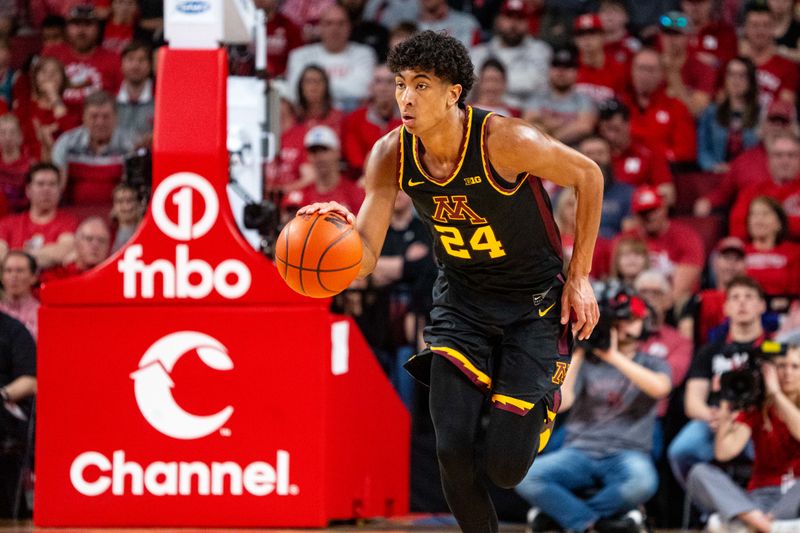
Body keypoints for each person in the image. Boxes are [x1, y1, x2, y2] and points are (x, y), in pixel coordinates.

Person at [297, 30, 603, 533]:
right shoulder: (391, 153)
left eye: (421, 84)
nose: (406, 96)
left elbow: (588, 175)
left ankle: (541, 399)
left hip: (533, 304)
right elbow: (367, 256)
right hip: (461, 300)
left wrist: (581, 277)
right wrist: (330, 236)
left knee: (505, 470)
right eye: (400, 84)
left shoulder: (506, 141)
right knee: (450, 448)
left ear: (453, 93)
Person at [515, 289, 671, 533]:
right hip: (580, 450)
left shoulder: (652, 362)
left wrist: (613, 356)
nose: (623, 326)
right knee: (525, 476)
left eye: (631, 320)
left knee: (643, 482)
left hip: (627, 453)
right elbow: (562, 402)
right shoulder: (586, 361)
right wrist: (577, 352)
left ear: (644, 324)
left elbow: (660, 388)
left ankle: (563, 517)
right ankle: (600, 523)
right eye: (618, 321)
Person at [687, 343, 800, 533]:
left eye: (795, 367)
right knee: (699, 472)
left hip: (795, 495)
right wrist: (724, 400)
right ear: (769, 370)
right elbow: (724, 452)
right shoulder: (756, 407)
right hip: (761, 496)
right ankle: (766, 526)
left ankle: (744, 525)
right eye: (781, 366)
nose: (787, 373)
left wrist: (776, 394)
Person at [668, 275, 768, 488]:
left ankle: (758, 504)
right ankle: (710, 507)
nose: (742, 302)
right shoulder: (710, 351)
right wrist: (713, 416)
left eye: (749, 297)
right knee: (681, 451)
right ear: (726, 308)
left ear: (762, 306)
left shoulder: (773, 348)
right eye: (735, 297)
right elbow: (692, 402)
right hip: (714, 418)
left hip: (759, 421)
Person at [285, 3, 377, 112]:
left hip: (351, 115)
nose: (335, 29)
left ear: (349, 27)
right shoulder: (299, 55)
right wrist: (345, 88)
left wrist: (315, 89)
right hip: (311, 115)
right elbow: (295, 92)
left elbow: (362, 90)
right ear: (320, 27)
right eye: (329, 23)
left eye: (341, 23)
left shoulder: (365, 54)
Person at [51, 90, 134, 207]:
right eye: (94, 116)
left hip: (117, 215)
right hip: (72, 213)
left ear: (116, 118)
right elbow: (56, 187)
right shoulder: (66, 143)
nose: (100, 122)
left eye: (106, 117)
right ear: (84, 117)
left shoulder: (129, 145)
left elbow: (132, 192)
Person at [469, 0, 551, 109]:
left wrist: (489, 83)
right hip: (486, 113)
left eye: (520, 18)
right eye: (509, 17)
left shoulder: (541, 50)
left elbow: (534, 84)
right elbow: (470, 86)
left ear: (528, 22)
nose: (513, 24)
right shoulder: (479, 52)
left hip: (525, 115)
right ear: (499, 20)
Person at [597, 98, 675, 205]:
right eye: (606, 128)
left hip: (637, 213)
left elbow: (668, 193)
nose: (610, 136)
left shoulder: (647, 152)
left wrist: (639, 199)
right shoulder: (593, 153)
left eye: (615, 128)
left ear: (628, 124)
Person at [41, 4, 121, 107]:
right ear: (66, 28)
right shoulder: (51, 54)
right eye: (76, 24)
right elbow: (39, 94)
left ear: (98, 28)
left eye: (88, 24)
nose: (81, 30)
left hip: (98, 119)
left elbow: (119, 100)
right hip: (57, 118)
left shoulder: (114, 59)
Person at [0, 163, 77, 269]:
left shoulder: (68, 222)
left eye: (52, 184)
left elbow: (64, 250)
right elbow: (1, 255)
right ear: (28, 190)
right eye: (40, 184)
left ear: (60, 190)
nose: (46, 189)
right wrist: (46, 255)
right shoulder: (7, 223)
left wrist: (17, 255)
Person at [729, 133, 800, 241]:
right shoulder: (752, 191)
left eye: (791, 155)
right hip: (758, 253)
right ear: (769, 160)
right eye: (778, 155)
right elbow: (737, 230)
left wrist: (764, 224)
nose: (785, 161)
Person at [697, 56, 761, 174]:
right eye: (731, 74)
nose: (736, 80)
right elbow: (703, 149)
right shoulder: (711, 112)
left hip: (750, 177)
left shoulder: (762, 114)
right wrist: (714, 166)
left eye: (742, 75)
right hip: (717, 175)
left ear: (751, 80)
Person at [525, 45, 597, 147]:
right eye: (557, 66)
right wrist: (567, 125)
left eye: (567, 67)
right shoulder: (537, 97)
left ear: (577, 72)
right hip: (539, 151)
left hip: (573, 152)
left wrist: (549, 138)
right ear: (549, 70)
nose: (561, 72)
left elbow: (584, 127)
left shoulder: (584, 99)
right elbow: (529, 123)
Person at [658, 10, 717, 117]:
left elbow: (696, 112)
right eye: (667, 33)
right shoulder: (650, 65)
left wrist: (673, 74)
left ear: (688, 37)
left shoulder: (702, 69)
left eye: (677, 34)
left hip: (687, 128)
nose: (671, 39)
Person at [739, 3, 798, 110]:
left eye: (765, 25)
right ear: (745, 28)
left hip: (771, 123)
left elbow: (785, 107)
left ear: (773, 28)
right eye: (755, 25)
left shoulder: (788, 66)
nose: (760, 31)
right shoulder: (735, 63)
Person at [743, 196, 800, 298]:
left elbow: (796, 293)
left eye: (765, 214)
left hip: (783, 310)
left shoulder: (794, 253)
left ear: (779, 224)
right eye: (753, 214)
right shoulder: (739, 252)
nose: (758, 220)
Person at [39, 216, 110, 282]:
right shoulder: (55, 276)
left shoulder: (115, 279)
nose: (95, 245)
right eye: (89, 239)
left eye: (101, 240)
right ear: (76, 242)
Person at [116, 41, 154, 148]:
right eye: (130, 59)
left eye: (141, 60)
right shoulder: (109, 98)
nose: (135, 65)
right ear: (121, 65)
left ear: (150, 66)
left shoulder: (161, 99)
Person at [0, 251, 39, 338]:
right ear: (2, 278)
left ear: (33, 277)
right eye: (8, 271)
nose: (14, 276)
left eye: (20, 271)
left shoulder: (40, 313)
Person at [0, 114, 33, 213]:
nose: (8, 137)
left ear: (20, 136)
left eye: (12, 132)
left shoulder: (31, 166)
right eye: (2, 133)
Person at [109, 182, 143, 253]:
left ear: (138, 204)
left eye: (130, 200)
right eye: (120, 201)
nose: (126, 206)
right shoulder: (107, 233)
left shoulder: (145, 231)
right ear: (113, 206)